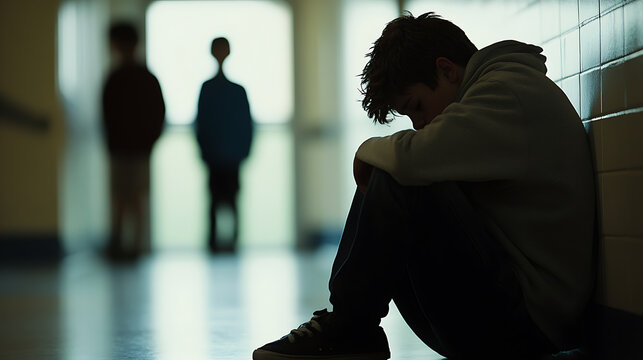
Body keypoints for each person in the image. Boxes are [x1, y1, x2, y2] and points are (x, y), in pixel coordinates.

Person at [253, 12, 596, 360]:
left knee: (398, 173)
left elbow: (408, 159)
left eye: (416, 107)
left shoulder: (507, 92)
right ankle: (351, 327)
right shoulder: (494, 94)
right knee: (399, 169)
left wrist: (365, 153)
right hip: (507, 316)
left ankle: (349, 328)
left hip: (527, 328)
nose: (419, 124)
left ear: (447, 70)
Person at [102, 21, 165, 260]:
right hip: (132, 148)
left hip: (130, 148)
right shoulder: (140, 78)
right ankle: (129, 245)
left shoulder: (118, 78)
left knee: (127, 197)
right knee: (129, 197)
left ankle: (130, 245)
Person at [195, 37, 253, 253]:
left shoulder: (214, 89)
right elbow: (201, 123)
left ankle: (221, 241)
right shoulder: (232, 90)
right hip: (222, 154)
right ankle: (224, 241)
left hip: (225, 154)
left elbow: (202, 123)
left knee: (223, 199)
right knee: (223, 199)